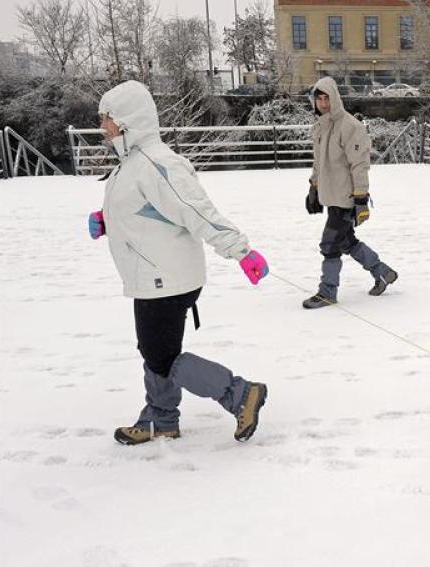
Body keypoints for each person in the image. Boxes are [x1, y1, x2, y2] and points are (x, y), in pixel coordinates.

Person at [88, 80, 270, 445]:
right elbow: (147, 210)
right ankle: (161, 418)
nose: (103, 127)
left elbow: (196, 211)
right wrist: (108, 219)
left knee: (162, 357)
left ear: (128, 120)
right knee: (155, 351)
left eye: (107, 119)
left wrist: (240, 250)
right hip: (153, 276)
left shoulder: (156, 164)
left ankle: (239, 393)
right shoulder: (132, 163)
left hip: (165, 279)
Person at [302, 76, 398, 308]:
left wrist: (361, 199)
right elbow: (319, 163)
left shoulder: (350, 126)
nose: (323, 103)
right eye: (319, 99)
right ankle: (382, 272)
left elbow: (359, 165)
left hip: (347, 197)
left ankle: (327, 292)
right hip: (330, 195)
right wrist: (314, 187)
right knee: (345, 241)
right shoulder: (321, 126)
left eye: (327, 98)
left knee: (330, 244)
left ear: (335, 98)